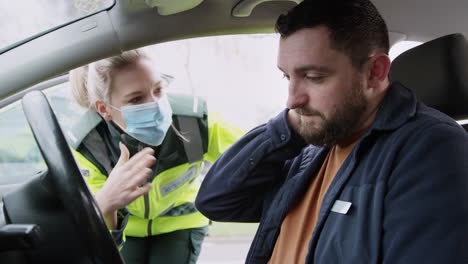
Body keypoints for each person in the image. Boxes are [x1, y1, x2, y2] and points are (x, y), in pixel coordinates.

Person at [195, 0, 468, 263]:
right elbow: (217, 201)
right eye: (288, 77)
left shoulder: (432, 150)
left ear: (375, 71)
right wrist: (288, 127)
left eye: (314, 77)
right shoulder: (316, 143)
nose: (292, 100)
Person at [69, 49, 243, 264]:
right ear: (104, 108)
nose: (155, 105)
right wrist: (106, 200)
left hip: (182, 221)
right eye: (136, 99)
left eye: (158, 90)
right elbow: (99, 236)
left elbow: (249, 157)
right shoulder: (89, 145)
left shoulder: (192, 122)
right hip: (127, 229)